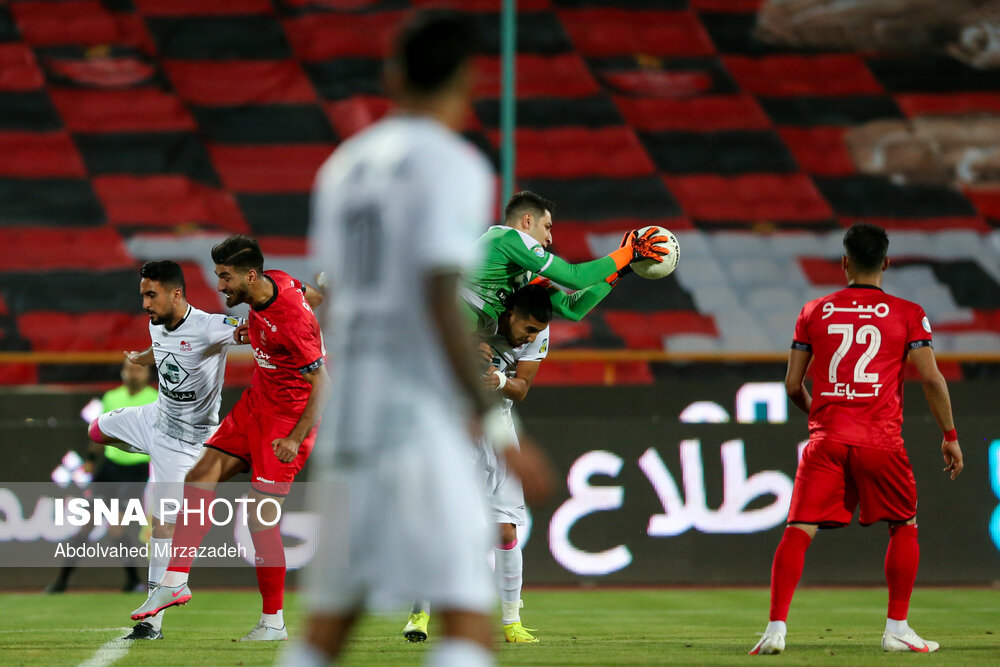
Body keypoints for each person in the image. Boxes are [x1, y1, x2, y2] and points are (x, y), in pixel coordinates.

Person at [282, 12, 552, 667]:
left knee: (327, 625)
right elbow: (438, 299)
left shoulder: (342, 168)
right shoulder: (452, 165)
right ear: (470, 79)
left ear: (393, 76)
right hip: (414, 416)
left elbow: (335, 296)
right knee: (466, 618)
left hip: (352, 416)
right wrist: (492, 424)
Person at [749, 222, 964, 656]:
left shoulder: (813, 310)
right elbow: (932, 380)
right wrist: (950, 436)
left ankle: (774, 630)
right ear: (886, 262)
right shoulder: (908, 313)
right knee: (904, 525)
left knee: (797, 529)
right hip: (881, 440)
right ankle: (897, 629)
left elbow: (792, 386)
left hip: (826, 440)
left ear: (844, 262)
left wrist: (826, 417)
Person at [129, 235, 327, 642]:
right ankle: (176, 580)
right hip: (255, 405)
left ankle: (273, 623)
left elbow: (323, 382)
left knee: (259, 518)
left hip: (287, 421)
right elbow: (313, 297)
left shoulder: (291, 319)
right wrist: (325, 295)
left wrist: (295, 437)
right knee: (199, 475)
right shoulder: (280, 281)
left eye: (225, 277)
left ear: (249, 275)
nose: (219, 286)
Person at [87, 261, 242, 640]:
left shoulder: (210, 326)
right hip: (155, 418)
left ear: (176, 293)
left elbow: (255, 332)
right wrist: (144, 356)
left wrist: (288, 313)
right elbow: (166, 348)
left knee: (164, 524)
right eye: (143, 295)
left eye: (151, 294)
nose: (145, 303)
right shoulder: (157, 323)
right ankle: (151, 452)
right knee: (96, 430)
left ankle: (150, 623)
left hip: (188, 440)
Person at [404, 283, 553, 645]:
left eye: (535, 332)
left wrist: (500, 379)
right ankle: (420, 612)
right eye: (526, 329)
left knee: (505, 531)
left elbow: (521, 389)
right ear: (509, 314)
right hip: (456, 423)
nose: (528, 338)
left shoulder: (536, 335)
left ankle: (512, 623)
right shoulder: (473, 320)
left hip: (499, 425)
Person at [462, 190, 670, 329]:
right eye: (547, 227)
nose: (549, 238)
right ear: (527, 220)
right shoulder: (506, 238)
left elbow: (571, 308)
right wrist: (628, 252)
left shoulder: (520, 271)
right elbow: (575, 278)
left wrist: (620, 271)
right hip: (448, 323)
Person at [45, 359, 157, 595]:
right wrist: (90, 459)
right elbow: (100, 432)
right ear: (123, 372)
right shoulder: (111, 397)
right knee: (86, 526)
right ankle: (62, 580)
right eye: (129, 368)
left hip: (135, 470)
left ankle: (133, 580)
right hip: (109, 469)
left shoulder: (155, 398)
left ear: (148, 373)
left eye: (138, 368)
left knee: (116, 529)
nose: (133, 373)